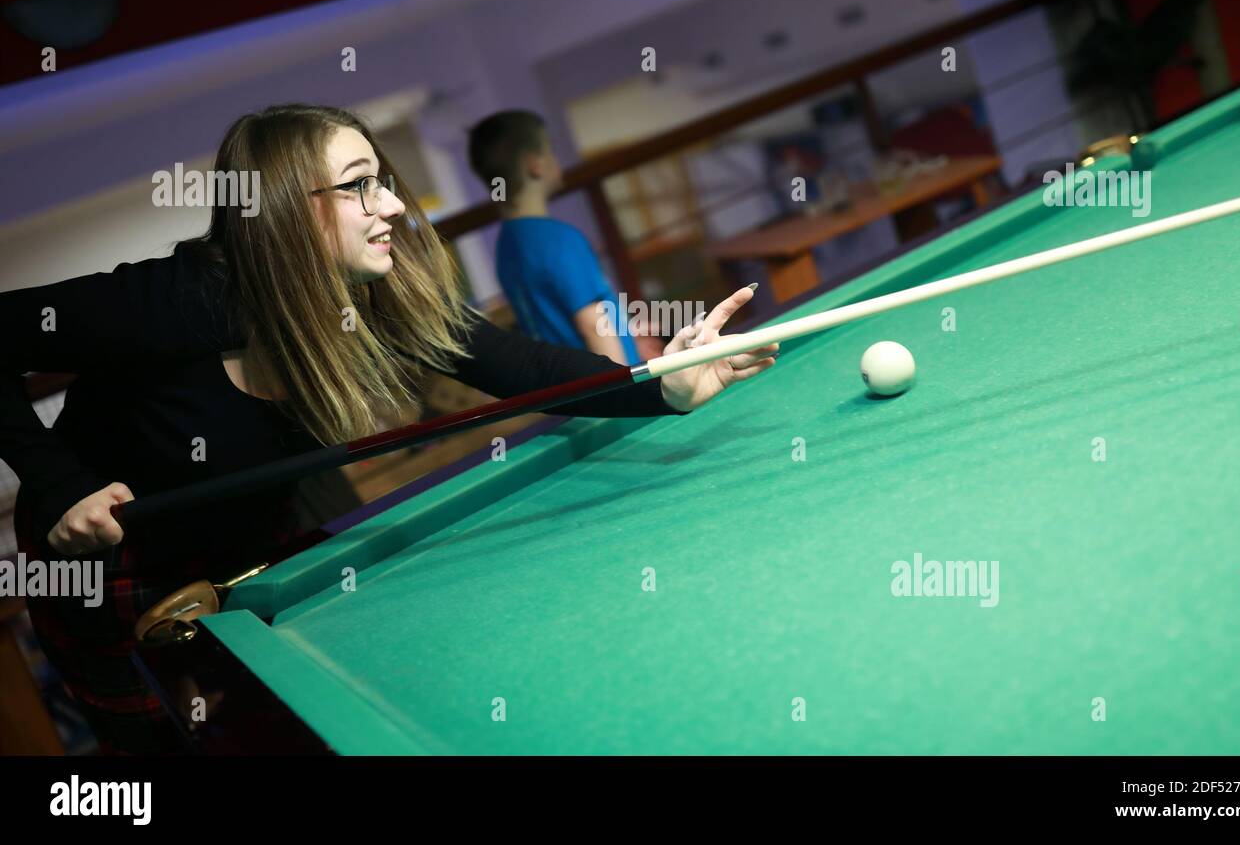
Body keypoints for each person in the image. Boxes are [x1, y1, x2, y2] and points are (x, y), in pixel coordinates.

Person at [0, 103, 778, 754]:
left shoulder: (368, 293)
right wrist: (58, 484)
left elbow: (517, 365)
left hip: (249, 545)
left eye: (384, 182)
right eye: (358, 186)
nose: (394, 206)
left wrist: (661, 386)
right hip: (112, 568)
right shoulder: (170, 301)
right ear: (284, 206)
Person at [469, 110, 643, 364]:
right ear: (535, 164)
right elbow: (594, 327)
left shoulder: (505, 246)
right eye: (549, 149)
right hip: (611, 381)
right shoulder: (561, 241)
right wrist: (628, 384)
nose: (554, 158)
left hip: (566, 382)